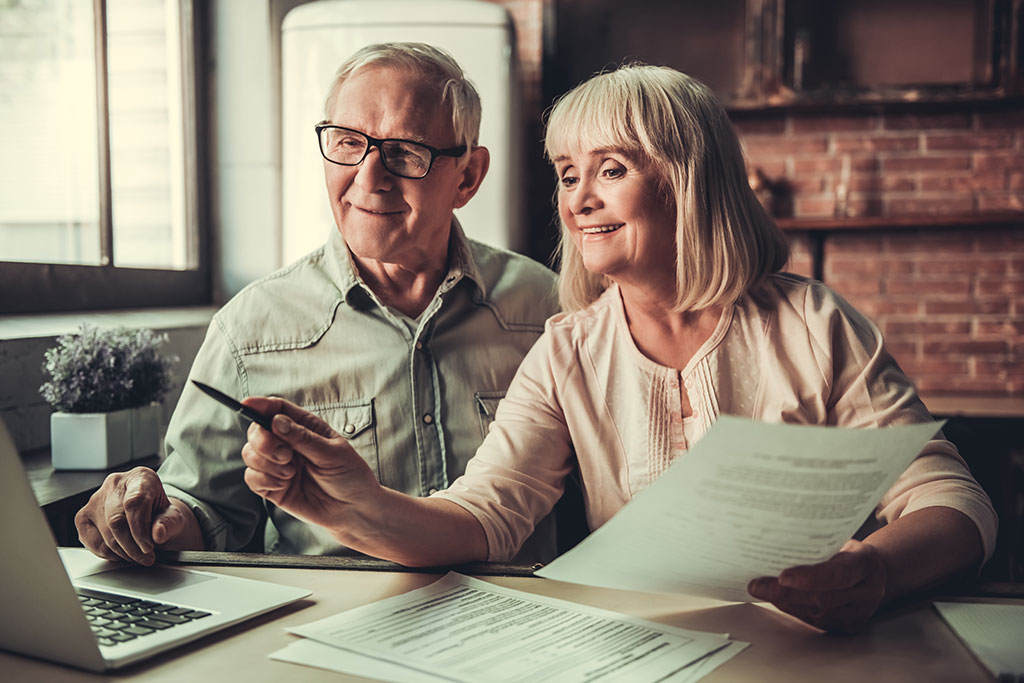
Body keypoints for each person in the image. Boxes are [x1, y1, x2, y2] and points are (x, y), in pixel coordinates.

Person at [238, 64, 997, 633]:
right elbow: (483, 519)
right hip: (640, 656)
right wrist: (352, 504)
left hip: (813, 654)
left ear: (690, 182)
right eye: (568, 175)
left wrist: (878, 569)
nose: (578, 199)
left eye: (611, 169)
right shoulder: (567, 350)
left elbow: (954, 503)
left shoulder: (814, 323)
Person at [74, 43, 561, 566]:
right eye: (349, 143)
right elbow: (209, 511)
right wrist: (152, 516)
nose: (368, 177)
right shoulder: (250, 330)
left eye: (404, 153)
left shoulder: (548, 309)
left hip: (517, 626)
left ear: (467, 176)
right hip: (334, 624)